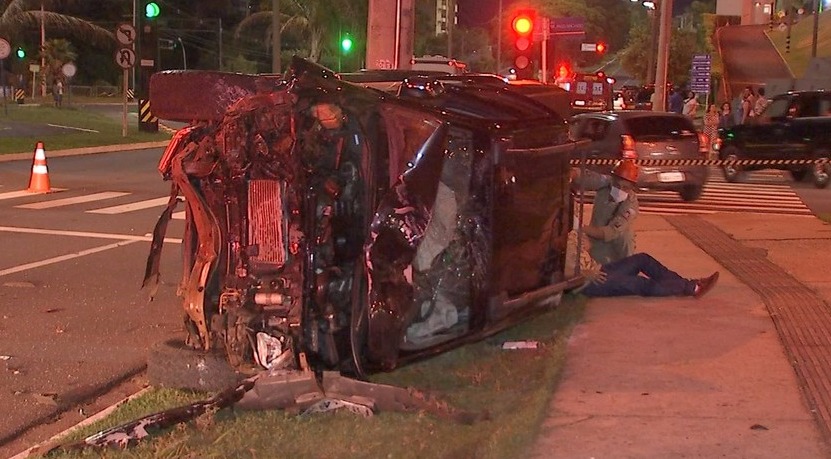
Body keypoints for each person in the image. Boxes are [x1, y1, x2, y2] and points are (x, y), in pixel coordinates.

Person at [565, 230, 720, 298]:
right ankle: (692, 287)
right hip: (588, 282)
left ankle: (681, 284)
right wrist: (584, 274)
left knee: (642, 259)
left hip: (599, 270)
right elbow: (561, 279)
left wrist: (583, 239)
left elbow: (587, 243)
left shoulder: (567, 237)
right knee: (639, 284)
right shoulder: (555, 253)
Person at [571, 159, 639, 265]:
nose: (620, 189)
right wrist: (572, 174)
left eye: (625, 187)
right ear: (613, 179)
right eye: (617, 185)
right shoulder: (606, 183)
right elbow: (586, 177)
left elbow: (610, 232)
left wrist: (579, 226)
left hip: (617, 250)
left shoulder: (630, 205)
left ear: (632, 187)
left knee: (625, 238)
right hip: (595, 242)